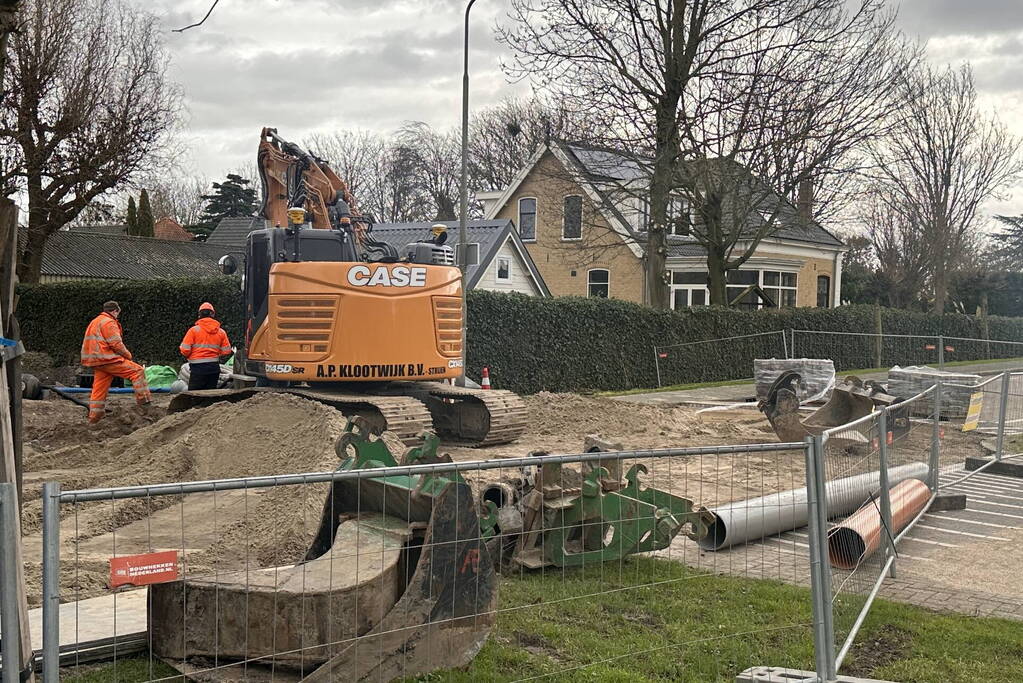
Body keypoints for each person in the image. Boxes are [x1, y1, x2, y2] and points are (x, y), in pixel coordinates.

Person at [80, 301, 152, 423]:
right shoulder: (109, 322)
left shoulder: (96, 321)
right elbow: (116, 344)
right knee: (137, 371)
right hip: (107, 359)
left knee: (99, 389)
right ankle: (144, 403)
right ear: (115, 311)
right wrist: (128, 355)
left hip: (96, 361)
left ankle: (94, 417)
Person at [179, 302, 232, 391]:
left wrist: (193, 356)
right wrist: (215, 354)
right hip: (213, 368)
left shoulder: (193, 331)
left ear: (199, 315)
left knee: (194, 395)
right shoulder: (221, 332)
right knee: (210, 396)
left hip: (197, 369)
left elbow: (185, 350)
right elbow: (227, 351)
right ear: (213, 314)